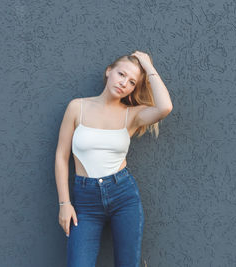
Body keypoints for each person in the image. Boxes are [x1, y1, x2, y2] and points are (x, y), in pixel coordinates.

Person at [55, 50, 173, 267]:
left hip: (123, 196)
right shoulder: (77, 107)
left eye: (131, 82)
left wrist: (148, 67)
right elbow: (62, 157)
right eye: (121, 74)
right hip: (85, 202)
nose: (124, 83)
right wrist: (64, 203)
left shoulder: (132, 115)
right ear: (109, 71)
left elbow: (165, 107)